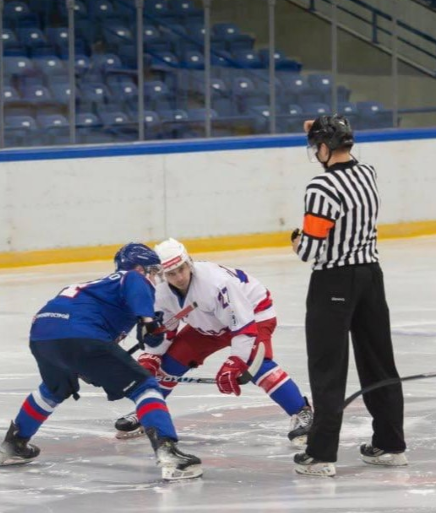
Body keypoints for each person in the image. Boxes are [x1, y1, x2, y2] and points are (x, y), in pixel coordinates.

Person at [0, 243, 202, 481]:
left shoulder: (99, 288)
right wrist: (149, 321)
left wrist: (86, 362)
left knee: (53, 389)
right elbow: (134, 281)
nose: (156, 278)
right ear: (143, 269)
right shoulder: (131, 277)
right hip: (79, 332)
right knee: (146, 387)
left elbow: (86, 332)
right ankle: (169, 454)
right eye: (154, 272)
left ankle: (13, 445)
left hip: (42, 335)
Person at [290, 115, 406, 477]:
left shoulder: (321, 188)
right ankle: (390, 444)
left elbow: (310, 250)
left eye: (317, 148)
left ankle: (322, 453)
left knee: (328, 368)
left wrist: (294, 239)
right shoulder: (367, 173)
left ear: (325, 149)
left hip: (333, 282)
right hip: (371, 277)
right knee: (379, 361)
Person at [111, 238, 313, 444]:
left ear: (188, 262)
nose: (179, 277)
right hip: (208, 323)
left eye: (182, 269)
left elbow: (243, 325)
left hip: (253, 314)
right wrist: (151, 356)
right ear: (162, 274)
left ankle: (302, 411)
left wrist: (236, 361)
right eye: (172, 273)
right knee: (168, 364)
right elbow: (164, 329)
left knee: (255, 364)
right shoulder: (159, 291)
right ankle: (148, 412)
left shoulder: (216, 283)